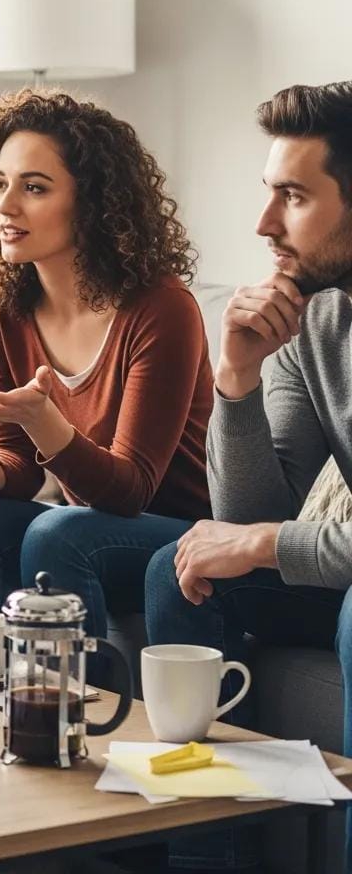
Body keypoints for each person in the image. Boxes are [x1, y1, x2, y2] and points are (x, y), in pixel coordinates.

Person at [0, 89, 213, 661]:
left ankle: (67, 717)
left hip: (172, 537)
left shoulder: (160, 309)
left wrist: (45, 420)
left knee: (59, 531)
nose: (5, 206)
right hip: (88, 526)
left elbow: (130, 492)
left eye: (34, 187)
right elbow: (21, 472)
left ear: (93, 203)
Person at [146, 81, 352, 872]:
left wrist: (265, 540)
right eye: (270, 194)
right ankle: (206, 858)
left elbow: (264, 533)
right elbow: (246, 516)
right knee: (185, 560)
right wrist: (235, 377)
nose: (265, 224)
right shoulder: (311, 315)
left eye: (293, 197)